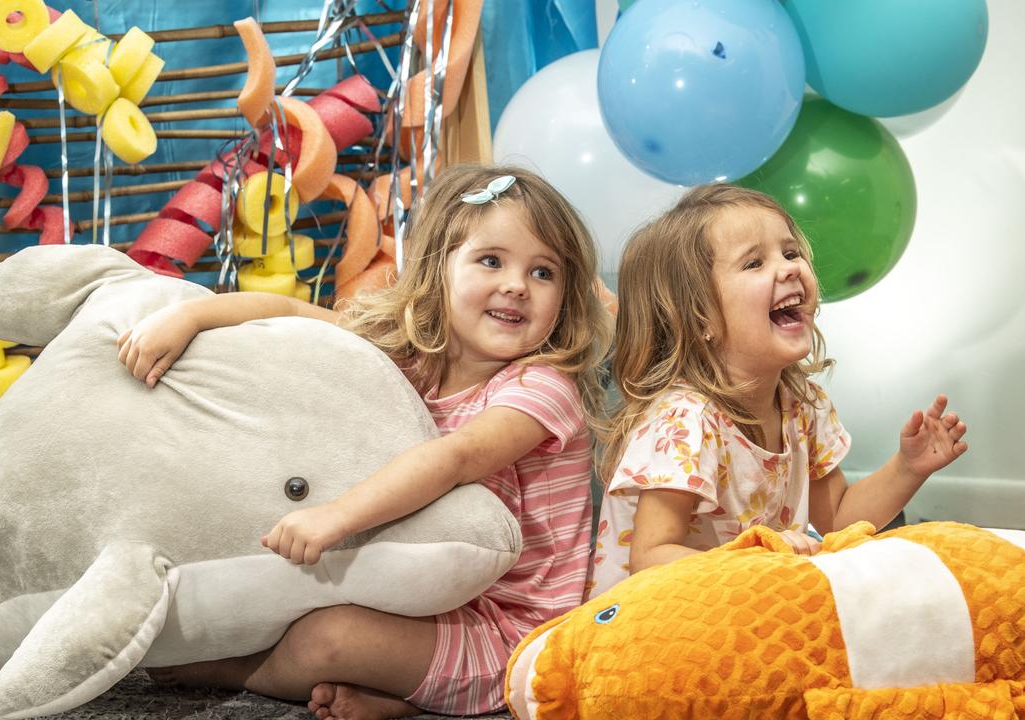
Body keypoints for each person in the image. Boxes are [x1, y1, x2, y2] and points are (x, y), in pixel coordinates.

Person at [117, 164, 612, 720]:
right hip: (423, 598)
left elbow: (456, 458)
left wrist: (337, 517)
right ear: (437, 268)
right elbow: (293, 315)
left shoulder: (542, 386)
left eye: (543, 272)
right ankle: (398, 698)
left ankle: (238, 671)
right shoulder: (407, 360)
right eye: (491, 260)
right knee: (299, 585)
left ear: (565, 297)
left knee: (329, 638)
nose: (517, 285)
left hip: (514, 638)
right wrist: (191, 316)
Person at [586, 184, 967, 600]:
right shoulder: (685, 421)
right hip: (645, 621)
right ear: (700, 318)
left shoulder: (804, 405)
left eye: (790, 253)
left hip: (740, 605)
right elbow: (651, 557)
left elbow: (837, 519)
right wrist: (754, 559)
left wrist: (908, 468)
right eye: (754, 262)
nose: (788, 268)